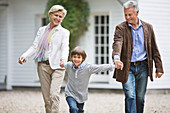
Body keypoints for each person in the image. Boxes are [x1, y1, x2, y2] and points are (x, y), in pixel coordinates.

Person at [112, 1, 164, 113]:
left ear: (137, 13)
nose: (127, 17)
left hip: (143, 67)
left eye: (130, 14)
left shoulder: (148, 28)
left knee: (140, 98)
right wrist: (116, 57)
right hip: (127, 67)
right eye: (125, 14)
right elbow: (117, 43)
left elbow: (154, 48)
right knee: (130, 96)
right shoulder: (120, 28)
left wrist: (159, 68)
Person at [18, 5, 70, 113]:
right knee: (47, 98)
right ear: (50, 14)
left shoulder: (64, 32)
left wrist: (63, 59)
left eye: (60, 17)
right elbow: (35, 46)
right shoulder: (41, 30)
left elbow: (65, 47)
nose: (58, 18)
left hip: (58, 66)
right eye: (56, 15)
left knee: (54, 94)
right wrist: (24, 56)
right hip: (43, 66)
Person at [61, 46, 122, 113]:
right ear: (72, 58)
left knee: (80, 111)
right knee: (73, 109)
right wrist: (61, 62)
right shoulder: (69, 65)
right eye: (74, 57)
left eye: (79, 57)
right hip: (70, 93)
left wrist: (112, 66)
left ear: (83, 59)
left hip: (81, 95)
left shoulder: (88, 68)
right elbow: (62, 64)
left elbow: (100, 67)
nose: (76, 59)